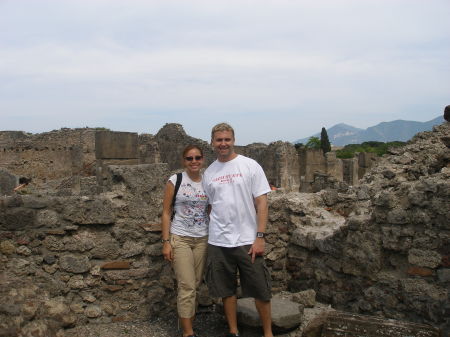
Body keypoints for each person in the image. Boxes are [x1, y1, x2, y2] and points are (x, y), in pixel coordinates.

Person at [202, 123, 273, 337]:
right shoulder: (209, 172)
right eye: (219, 140)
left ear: (233, 140)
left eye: (227, 139)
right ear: (212, 142)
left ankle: (268, 333)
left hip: (247, 239)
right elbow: (211, 206)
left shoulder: (250, 166)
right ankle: (234, 331)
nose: (223, 144)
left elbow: (262, 203)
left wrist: (259, 236)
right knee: (226, 291)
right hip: (219, 241)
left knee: (261, 290)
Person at [161, 145, 209, 337]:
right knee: (187, 285)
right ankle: (188, 333)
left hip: (202, 238)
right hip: (180, 237)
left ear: (203, 159)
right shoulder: (176, 180)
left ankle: (187, 322)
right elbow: (166, 212)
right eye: (189, 158)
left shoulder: (208, 181)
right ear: (183, 161)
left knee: (195, 284)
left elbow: (211, 209)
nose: (194, 161)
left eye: (197, 157)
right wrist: (166, 241)